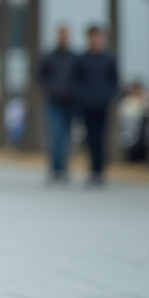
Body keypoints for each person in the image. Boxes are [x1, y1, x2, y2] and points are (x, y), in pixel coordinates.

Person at [72, 26, 119, 187]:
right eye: (93, 36)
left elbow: (114, 81)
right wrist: (82, 97)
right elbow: (75, 81)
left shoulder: (108, 59)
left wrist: (108, 97)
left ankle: (100, 169)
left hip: (102, 105)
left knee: (101, 137)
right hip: (86, 105)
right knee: (90, 138)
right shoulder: (81, 59)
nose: (96, 40)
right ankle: (93, 168)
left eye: (98, 37)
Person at [37, 25, 78, 183]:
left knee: (67, 136)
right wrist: (51, 88)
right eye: (61, 35)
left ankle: (64, 168)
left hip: (70, 102)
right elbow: (41, 77)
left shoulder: (74, 58)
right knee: (55, 135)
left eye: (65, 35)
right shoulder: (49, 57)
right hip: (53, 101)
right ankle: (55, 168)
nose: (63, 38)